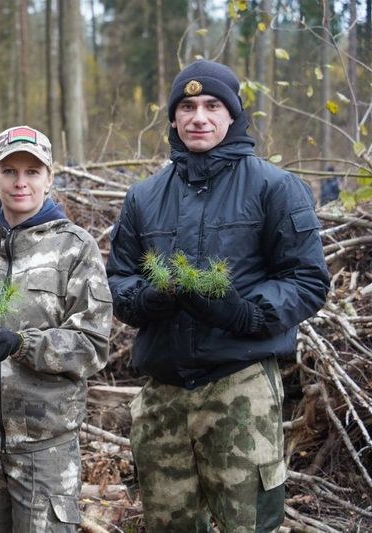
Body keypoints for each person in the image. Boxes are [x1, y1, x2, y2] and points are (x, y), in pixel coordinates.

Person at [106, 59, 329, 532]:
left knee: (248, 525)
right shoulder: (143, 197)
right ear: (172, 118)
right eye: (186, 107)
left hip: (239, 387)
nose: (198, 117)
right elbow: (118, 282)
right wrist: (148, 299)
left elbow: (307, 279)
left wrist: (247, 313)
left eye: (212, 105)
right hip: (163, 393)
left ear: (233, 115)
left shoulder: (276, 188)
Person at [0, 125, 113, 531]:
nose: (20, 182)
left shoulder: (75, 247)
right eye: (9, 170)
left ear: (50, 177)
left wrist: (20, 344)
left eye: (32, 171)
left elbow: (94, 345)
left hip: (44, 447)